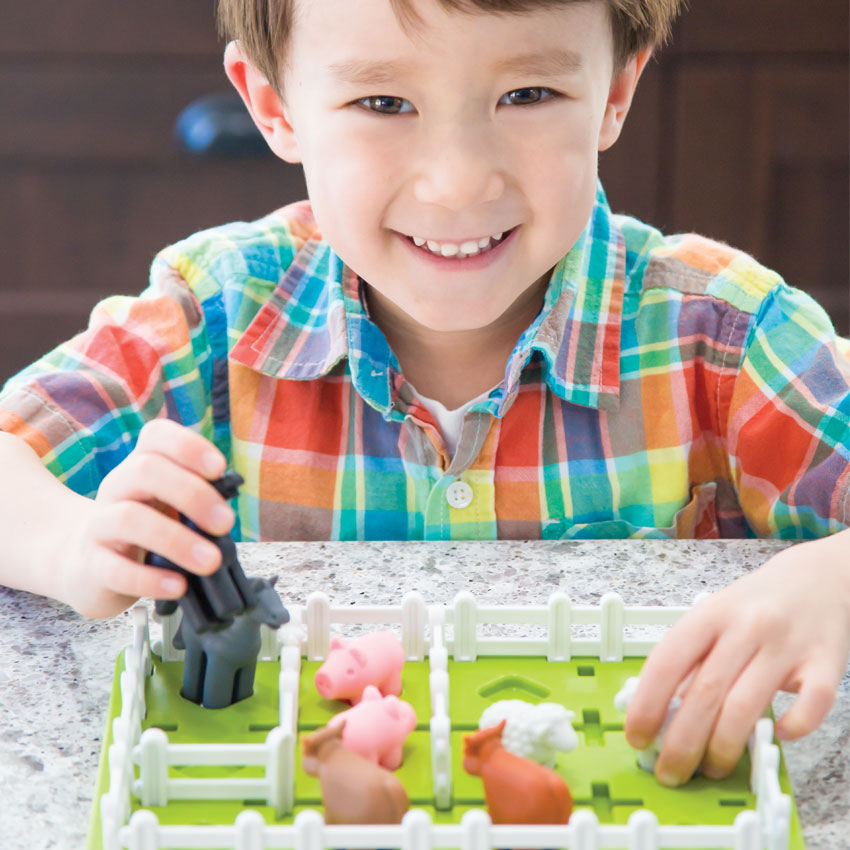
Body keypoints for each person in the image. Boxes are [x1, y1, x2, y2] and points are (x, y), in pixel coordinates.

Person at [0, 0, 847, 790]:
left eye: (528, 93)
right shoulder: (217, 314)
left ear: (615, 91)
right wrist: (68, 540)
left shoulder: (726, 338)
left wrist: (832, 580)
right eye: (382, 103)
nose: (457, 183)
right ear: (275, 107)